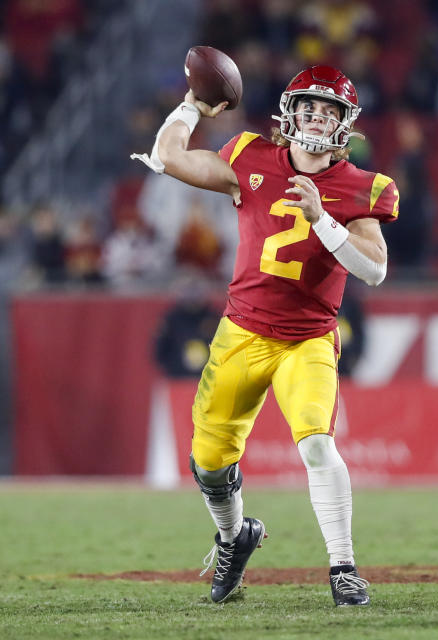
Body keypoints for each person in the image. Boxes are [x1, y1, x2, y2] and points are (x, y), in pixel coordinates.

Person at [132, 64, 397, 606]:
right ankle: (234, 539)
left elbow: (374, 270)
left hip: (309, 339)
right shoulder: (251, 156)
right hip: (242, 332)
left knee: (318, 444)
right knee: (208, 460)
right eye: (311, 108)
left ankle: (343, 567)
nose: (319, 119)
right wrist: (192, 104)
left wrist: (324, 219)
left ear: (347, 123)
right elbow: (167, 157)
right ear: (290, 112)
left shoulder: (363, 186)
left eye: (330, 111)